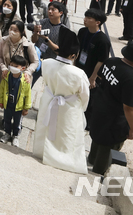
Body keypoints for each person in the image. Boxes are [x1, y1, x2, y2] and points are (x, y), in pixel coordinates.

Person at [88, 41, 133, 175]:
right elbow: (129, 108)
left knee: (96, 137)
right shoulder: (132, 80)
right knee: (107, 149)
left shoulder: (111, 61)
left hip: (99, 107)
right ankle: (97, 174)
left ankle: (91, 160)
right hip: (114, 120)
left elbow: (100, 77)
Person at [33, 27, 90, 174]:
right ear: (73, 55)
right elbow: (85, 96)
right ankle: (64, 160)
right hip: (69, 107)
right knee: (66, 134)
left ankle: (41, 153)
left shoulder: (47, 63)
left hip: (49, 100)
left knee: (46, 129)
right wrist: (80, 108)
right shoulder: (79, 74)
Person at [0, 54, 32, 147]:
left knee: (17, 123)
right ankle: (7, 134)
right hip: (8, 104)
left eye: (16, 66)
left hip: (18, 106)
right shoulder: (6, 76)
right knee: (7, 120)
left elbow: (28, 94)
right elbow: (1, 89)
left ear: (23, 68)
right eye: (11, 65)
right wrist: (0, 100)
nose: (13, 67)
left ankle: (15, 136)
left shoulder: (25, 80)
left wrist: (26, 107)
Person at [74, 9, 110, 88]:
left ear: (98, 22)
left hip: (90, 72)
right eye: (85, 17)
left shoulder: (103, 40)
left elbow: (101, 61)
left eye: (89, 18)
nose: (85, 19)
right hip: (78, 68)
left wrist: (93, 78)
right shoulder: (82, 31)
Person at [0, 20, 38, 86]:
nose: (12, 32)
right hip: (6, 76)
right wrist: (3, 68)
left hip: (22, 78)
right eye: (11, 29)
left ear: (21, 32)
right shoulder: (3, 41)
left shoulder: (28, 45)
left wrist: (28, 72)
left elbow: (35, 62)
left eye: (15, 30)